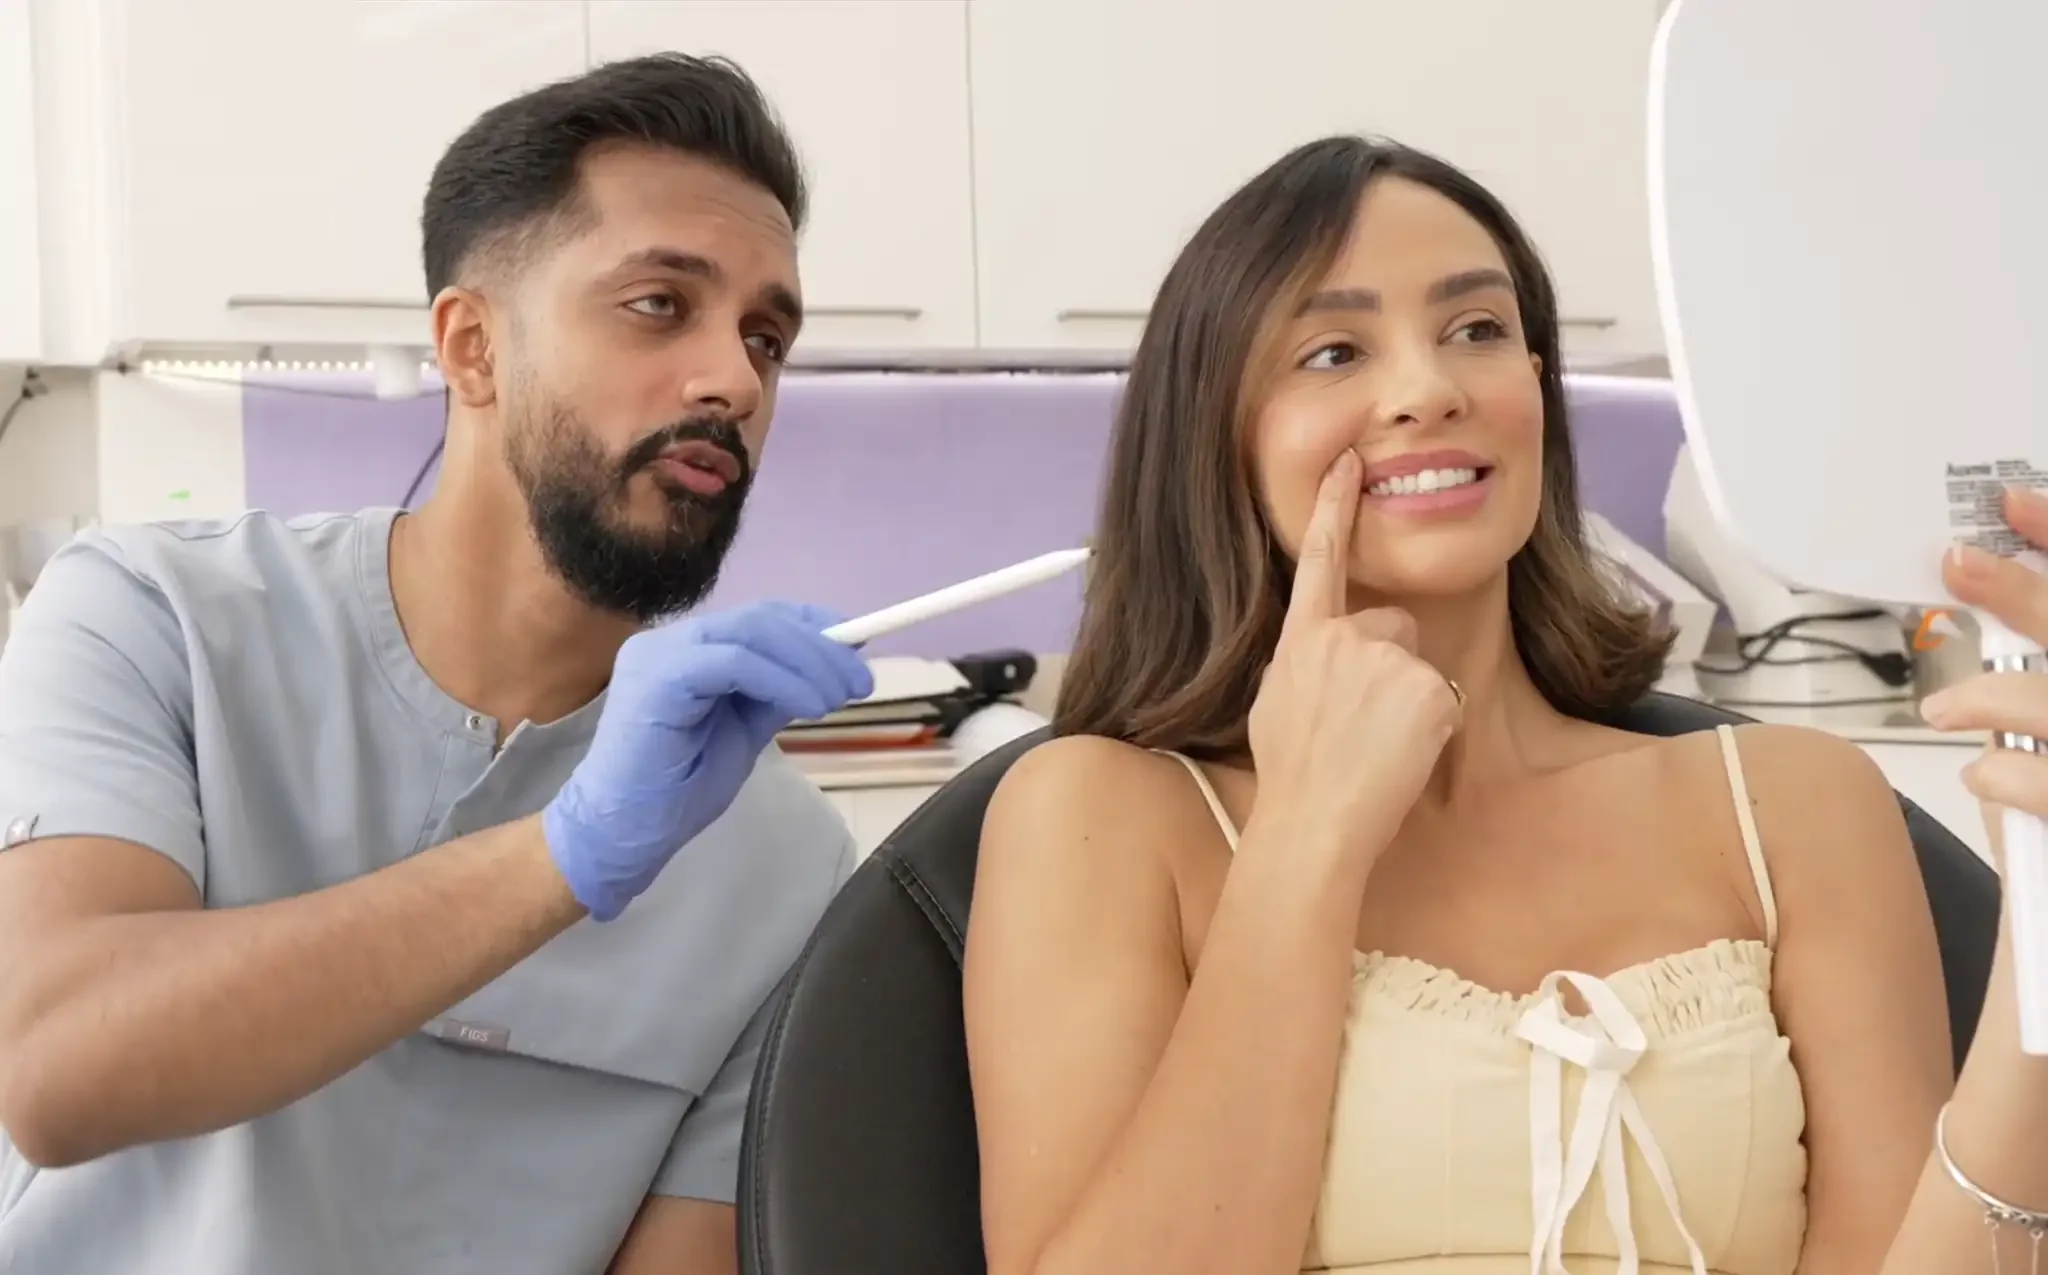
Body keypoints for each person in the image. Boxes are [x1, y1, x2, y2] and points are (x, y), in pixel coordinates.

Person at [962, 133, 2048, 1275]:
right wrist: (1305, 837)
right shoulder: (1095, 817)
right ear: (1213, 437)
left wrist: (2040, 980)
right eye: (1332, 352)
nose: (1428, 390)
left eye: (1477, 330)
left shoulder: (1792, 805)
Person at [0, 54, 875, 1275]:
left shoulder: (778, 858)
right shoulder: (150, 620)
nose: (733, 378)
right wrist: (563, 856)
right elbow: (60, 1071)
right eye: (659, 305)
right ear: (471, 350)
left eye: (765, 336)